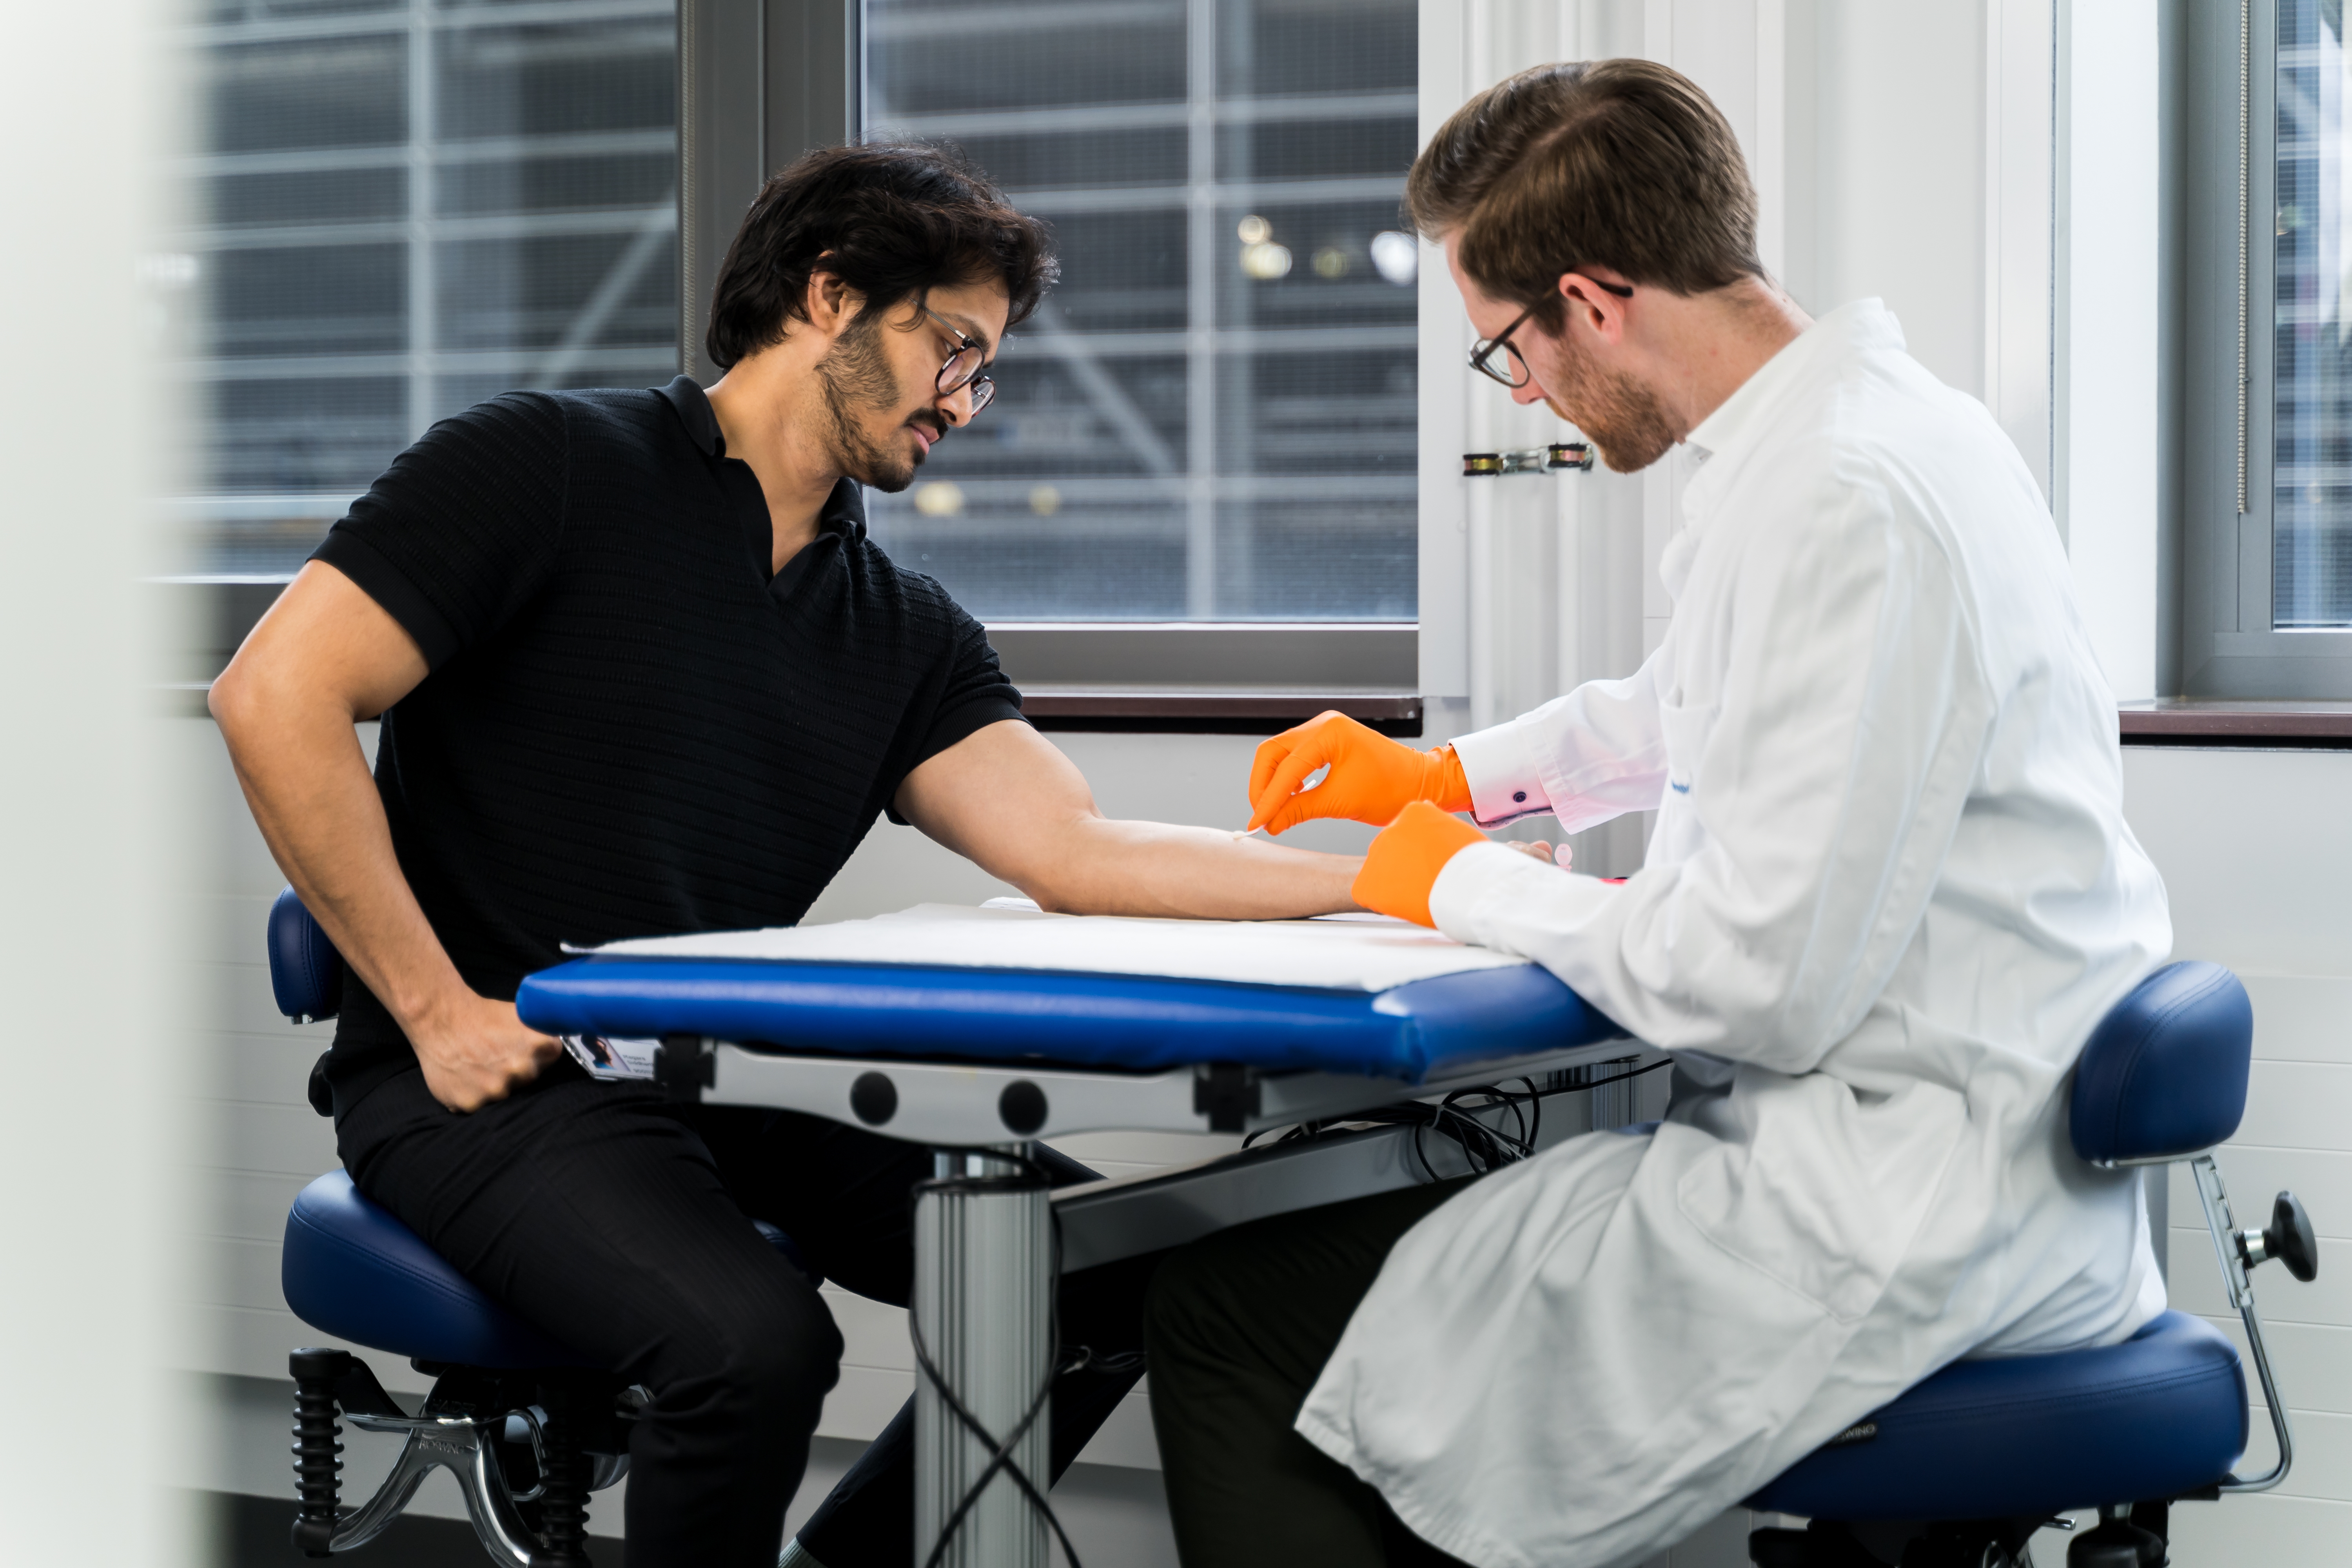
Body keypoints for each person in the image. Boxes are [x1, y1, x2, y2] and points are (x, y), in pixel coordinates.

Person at [208, 141, 1362, 1568]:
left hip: (717, 1073)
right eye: (951, 347)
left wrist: (1393, 874)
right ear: (829, 295)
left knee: (1106, 1276)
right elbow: (274, 693)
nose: (967, 399)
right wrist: (436, 1013)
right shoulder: (551, 466)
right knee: (752, 1350)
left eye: (983, 369)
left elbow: (1077, 847)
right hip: (483, 1075)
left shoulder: (902, 625)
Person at [1143, 58, 2172, 1568]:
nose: (1531, 393)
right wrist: (1448, 777)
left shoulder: (1849, 496)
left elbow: (1753, 975)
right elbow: (1697, 706)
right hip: (1941, 1153)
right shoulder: (1865, 436)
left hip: (1889, 1207)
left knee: (1222, 1309)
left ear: (1594, 298)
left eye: (1510, 352)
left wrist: (1454, 883)